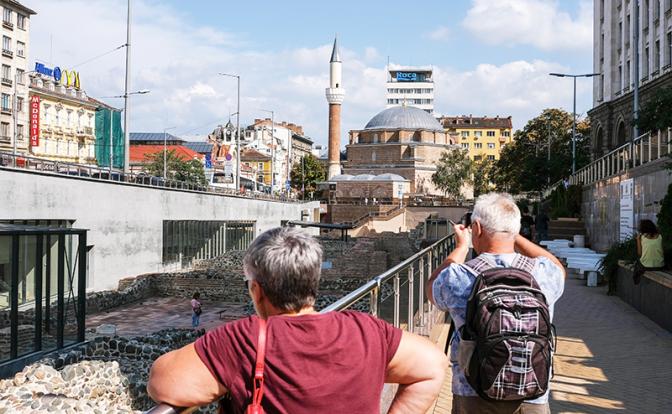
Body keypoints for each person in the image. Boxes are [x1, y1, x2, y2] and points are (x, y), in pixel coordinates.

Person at [148, 227, 447, 413]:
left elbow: (163, 382)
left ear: (256, 290)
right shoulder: (365, 328)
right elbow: (433, 365)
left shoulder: (244, 339)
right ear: (313, 280)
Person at [428, 193, 565, 414]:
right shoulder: (543, 273)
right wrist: (513, 235)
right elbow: (557, 266)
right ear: (515, 229)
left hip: (473, 391)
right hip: (533, 391)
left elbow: (431, 287)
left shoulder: (459, 276)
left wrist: (462, 247)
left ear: (477, 229)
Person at [634, 219, 666, 283]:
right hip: (660, 266)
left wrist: (637, 239)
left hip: (646, 267)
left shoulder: (642, 237)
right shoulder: (660, 236)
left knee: (636, 263)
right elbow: (662, 251)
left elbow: (639, 253)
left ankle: (636, 279)